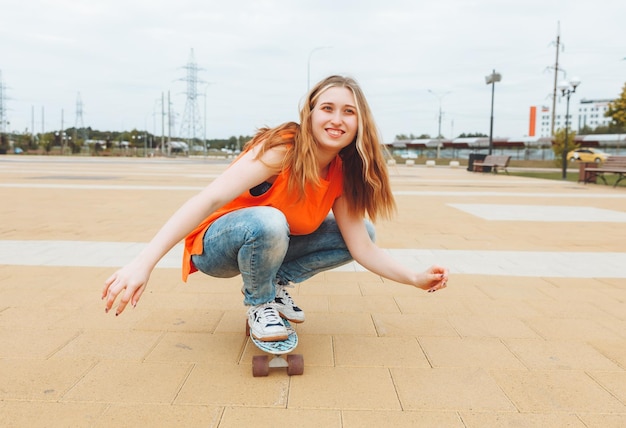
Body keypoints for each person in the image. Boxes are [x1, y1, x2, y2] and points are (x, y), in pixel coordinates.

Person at [102, 75, 449, 341]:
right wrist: (142, 263)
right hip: (215, 247)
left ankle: (274, 283)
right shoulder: (285, 148)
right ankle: (260, 302)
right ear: (310, 113)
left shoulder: (343, 172)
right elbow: (208, 199)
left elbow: (362, 248)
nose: (337, 119)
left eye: (348, 112)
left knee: (363, 231)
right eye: (327, 108)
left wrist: (415, 279)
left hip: (268, 245)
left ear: (359, 124)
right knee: (270, 219)